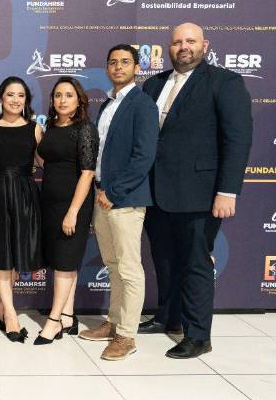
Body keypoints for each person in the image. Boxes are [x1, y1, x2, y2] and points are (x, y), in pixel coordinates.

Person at [140, 22, 252, 358]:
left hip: (200, 194)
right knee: (164, 259)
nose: (183, 47)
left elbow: (238, 139)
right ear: (169, 47)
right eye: (176, 42)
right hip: (156, 193)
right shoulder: (153, 84)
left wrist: (228, 191)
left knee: (195, 263)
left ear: (205, 45)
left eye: (190, 41)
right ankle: (169, 318)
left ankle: (199, 334)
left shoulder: (224, 82)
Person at [77, 45, 158, 360]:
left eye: (125, 62)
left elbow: (144, 157)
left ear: (136, 68)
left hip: (123, 198)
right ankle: (113, 323)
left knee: (128, 268)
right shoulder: (107, 104)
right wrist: (103, 191)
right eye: (113, 62)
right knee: (113, 265)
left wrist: (115, 191)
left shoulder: (143, 105)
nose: (118, 67)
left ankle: (127, 335)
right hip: (102, 195)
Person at [0, 76, 44, 343]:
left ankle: (1, 305)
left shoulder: (35, 129)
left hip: (26, 195)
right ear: (0, 99)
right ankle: (11, 314)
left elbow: (42, 161)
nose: (15, 100)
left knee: (17, 254)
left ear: (26, 101)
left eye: (20, 95)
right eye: (10, 95)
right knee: (2, 253)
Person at [35, 76, 98, 345]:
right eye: (58, 95)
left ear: (79, 99)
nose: (62, 100)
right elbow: (46, 160)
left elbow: (87, 173)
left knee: (64, 261)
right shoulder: (51, 126)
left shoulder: (84, 129)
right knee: (63, 261)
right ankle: (69, 316)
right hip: (48, 202)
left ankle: (53, 321)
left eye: (68, 95)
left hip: (72, 204)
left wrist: (73, 211)